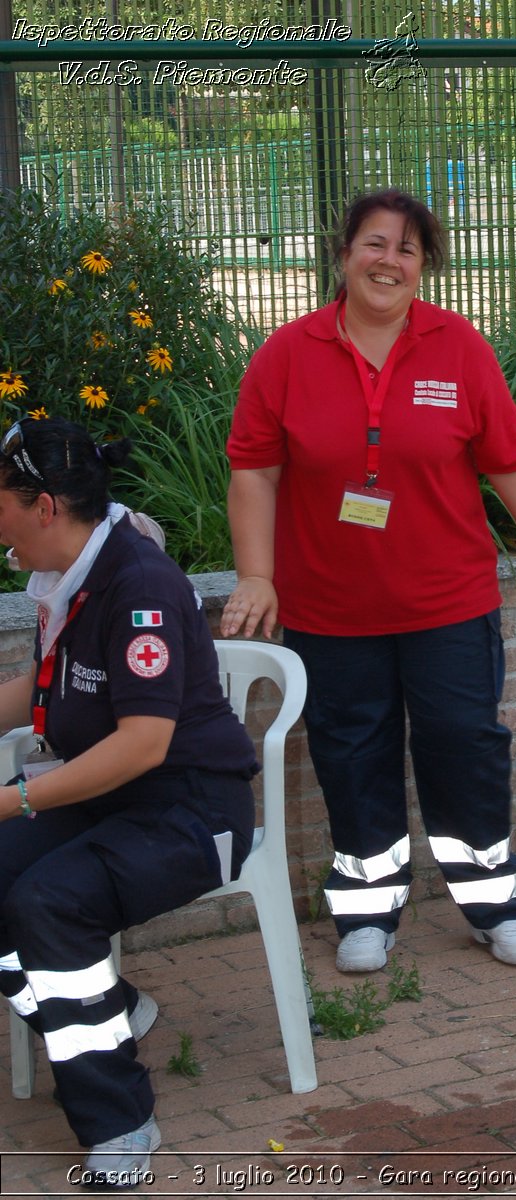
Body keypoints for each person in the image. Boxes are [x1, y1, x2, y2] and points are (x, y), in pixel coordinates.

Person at [223, 188, 516, 975]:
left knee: (465, 745)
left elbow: (510, 462)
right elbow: (254, 473)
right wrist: (257, 575)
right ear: (343, 253)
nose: (388, 261)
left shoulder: (458, 348)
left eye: (407, 249)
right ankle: (365, 914)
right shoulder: (287, 354)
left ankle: (495, 905)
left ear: (425, 267)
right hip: (330, 609)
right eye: (374, 244)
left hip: (448, 603)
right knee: (353, 755)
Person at [0, 416, 257, 1188]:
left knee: (48, 901)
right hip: (110, 794)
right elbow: (42, 695)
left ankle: (117, 1120)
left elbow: (145, 743)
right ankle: (104, 1008)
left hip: (189, 809)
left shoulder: (137, 582)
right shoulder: (69, 575)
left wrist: (14, 800)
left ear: (44, 506)